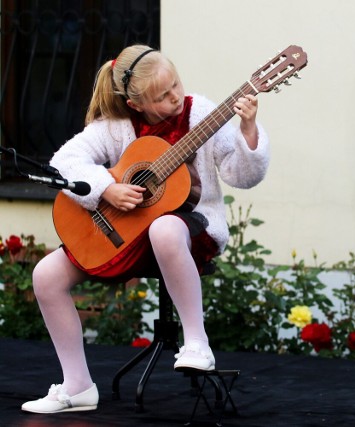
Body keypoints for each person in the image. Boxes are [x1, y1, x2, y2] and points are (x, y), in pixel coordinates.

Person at [21, 44, 270, 414]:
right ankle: (77, 386)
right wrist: (108, 188)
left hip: (190, 230)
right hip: (126, 237)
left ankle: (197, 344)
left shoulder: (198, 112)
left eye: (175, 85)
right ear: (137, 105)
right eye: (162, 95)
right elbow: (64, 162)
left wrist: (247, 129)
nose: (174, 97)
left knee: (165, 229)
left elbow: (242, 176)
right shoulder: (116, 126)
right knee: (44, 275)